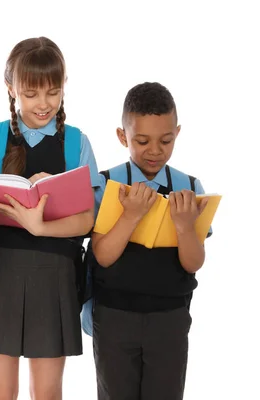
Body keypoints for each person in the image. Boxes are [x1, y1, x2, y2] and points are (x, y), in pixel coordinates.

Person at [0, 36, 101, 400]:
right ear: (10, 89)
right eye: (30, 94)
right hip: (2, 270)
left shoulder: (76, 142)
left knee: (47, 392)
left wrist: (40, 225)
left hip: (56, 272)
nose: (43, 104)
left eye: (52, 92)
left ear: (64, 87)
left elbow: (88, 220)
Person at [89, 82, 211, 400]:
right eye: (142, 141)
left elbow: (194, 262)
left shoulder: (190, 187)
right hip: (115, 316)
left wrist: (185, 226)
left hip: (169, 319)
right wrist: (129, 217)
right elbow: (102, 256)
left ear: (177, 133)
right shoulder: (106, 183)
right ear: (122, 137)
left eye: (166, 140)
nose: (155, 150)